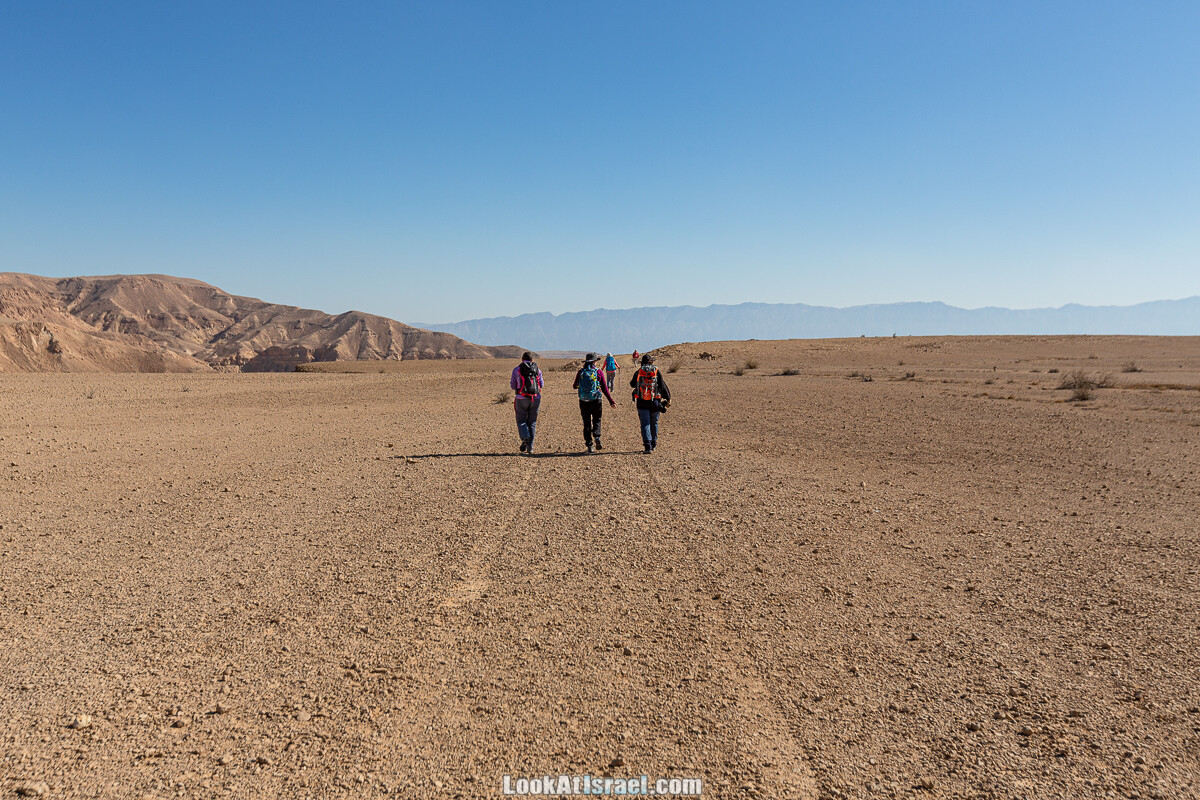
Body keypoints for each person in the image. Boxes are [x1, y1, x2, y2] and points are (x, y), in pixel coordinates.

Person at [572, 353, 617, 453]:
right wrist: (611, 401)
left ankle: (589, 445)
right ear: (594, 362)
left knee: (586, 422)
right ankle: (597, 436)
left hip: (584, 401)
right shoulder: (598, 372)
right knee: (597, 419)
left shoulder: (581, 372)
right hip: (596, 400)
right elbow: (605, 388)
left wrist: (582, 387)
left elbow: (574, 386)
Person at [630, 354, 670, 454]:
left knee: (645, 423)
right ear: (651, 361)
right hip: (655, 402)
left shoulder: (639, 372)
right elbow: (662, 386)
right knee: (654, 422)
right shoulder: (656, 371)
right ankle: (654, 443)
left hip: (642, 402)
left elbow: (632, 384)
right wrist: (668, 398)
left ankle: (647, 446)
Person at [510, 352, 543, 454]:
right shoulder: (537, 369)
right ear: (532, 360)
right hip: (536, 398)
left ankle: (525, 436)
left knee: (521, 420)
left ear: (522, 359)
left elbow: (513, 386)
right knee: (532, 422)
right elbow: (541, 384)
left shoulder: (517, 370)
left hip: (521, 398)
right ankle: (530, 448)